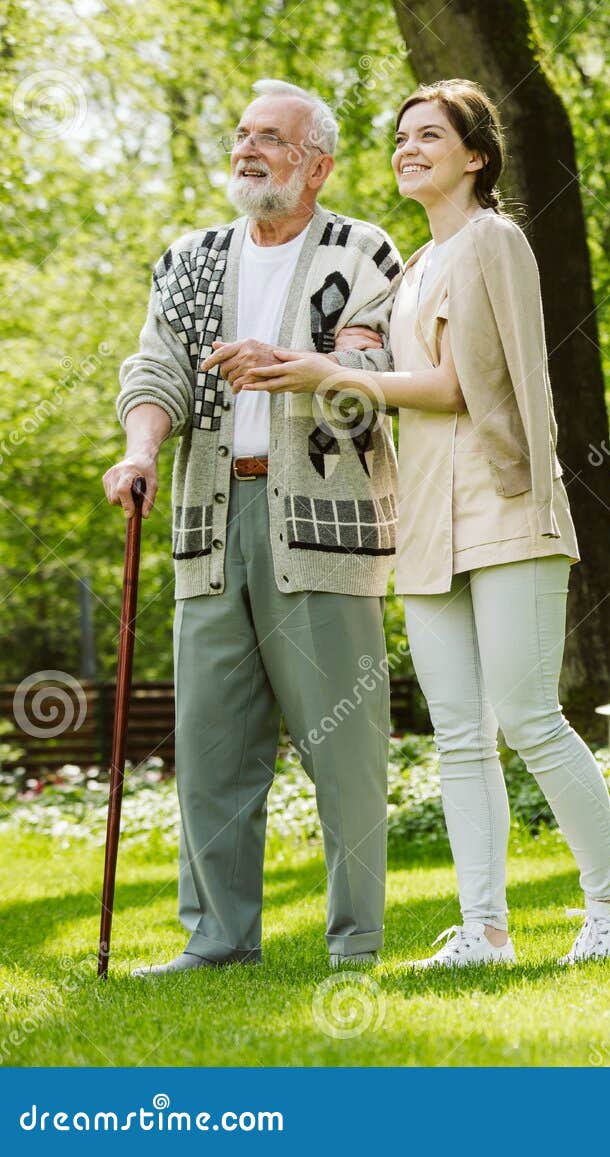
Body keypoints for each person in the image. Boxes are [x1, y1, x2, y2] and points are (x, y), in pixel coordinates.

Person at [234, 78, 610, 968]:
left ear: (477, 155)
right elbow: (379, 370)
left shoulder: (492, 241)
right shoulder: (414, 267)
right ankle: (485, 929)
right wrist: (310, 363)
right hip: (425, 518)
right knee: (458, 732)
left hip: (503, 506)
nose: (409, 147)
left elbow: (457, 388)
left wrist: (317, 376)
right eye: (400, 136)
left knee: (532, 716)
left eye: (431, 134)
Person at [103, 79, 403, 974]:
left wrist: (294, 367)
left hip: (324, 522)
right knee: (211, 746)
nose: (248, 149)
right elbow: (154, 371)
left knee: (344, 752)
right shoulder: (191, 259)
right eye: (242, 134)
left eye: (270, 137)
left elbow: (373, 360)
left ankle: (356, 943)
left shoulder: (361, 250)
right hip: (206, 518)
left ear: (316, 165)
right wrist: (141, 453)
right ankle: (218, 939)